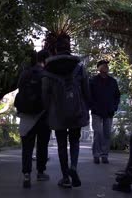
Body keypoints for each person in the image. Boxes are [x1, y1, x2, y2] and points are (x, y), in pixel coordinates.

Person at [41, 33, 90, 188]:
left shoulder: (48, 68)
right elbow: (86, 89)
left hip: (57, 113)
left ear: (55, 49)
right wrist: (86, 106)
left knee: (62, 144)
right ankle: (73, 168)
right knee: (74, 141)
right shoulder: (79, 66)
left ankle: (65, 178)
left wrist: (47, 109)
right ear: (69, 47)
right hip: (76, 111)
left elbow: (45, 92)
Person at [17, 50, 51, 189]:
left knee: (27, 147)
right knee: (42, 145)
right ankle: (41, 172)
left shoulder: (25, 73)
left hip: (26, 115)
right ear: (46, 60)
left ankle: (26, 174)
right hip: (43, 115)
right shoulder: (45, 74)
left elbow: (19, 89)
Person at [89, 60, 121, 164]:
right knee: (97, 132)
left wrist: (114, 107)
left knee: (107, 134)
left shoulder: (112, 81)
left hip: (109, 111)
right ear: (98, 68)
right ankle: (96, 155)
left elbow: (117, 95)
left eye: (107, 65)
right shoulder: (93, 81)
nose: (106, 67)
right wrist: (92, 106)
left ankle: (104, 155)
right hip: (96, 112)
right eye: (103, 65)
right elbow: (89, 95)